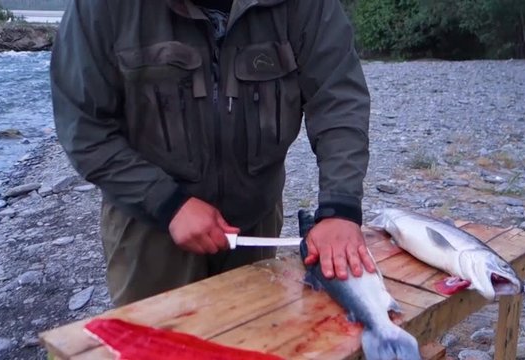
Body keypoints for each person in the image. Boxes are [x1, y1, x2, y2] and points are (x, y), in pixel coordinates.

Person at [50, 0, 375, 307]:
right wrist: (167, 203)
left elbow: (338, 100)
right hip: (148, 228)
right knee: (161, 347)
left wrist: (340, 209)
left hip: (255, 219)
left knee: (253, 340)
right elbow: (84, 126)